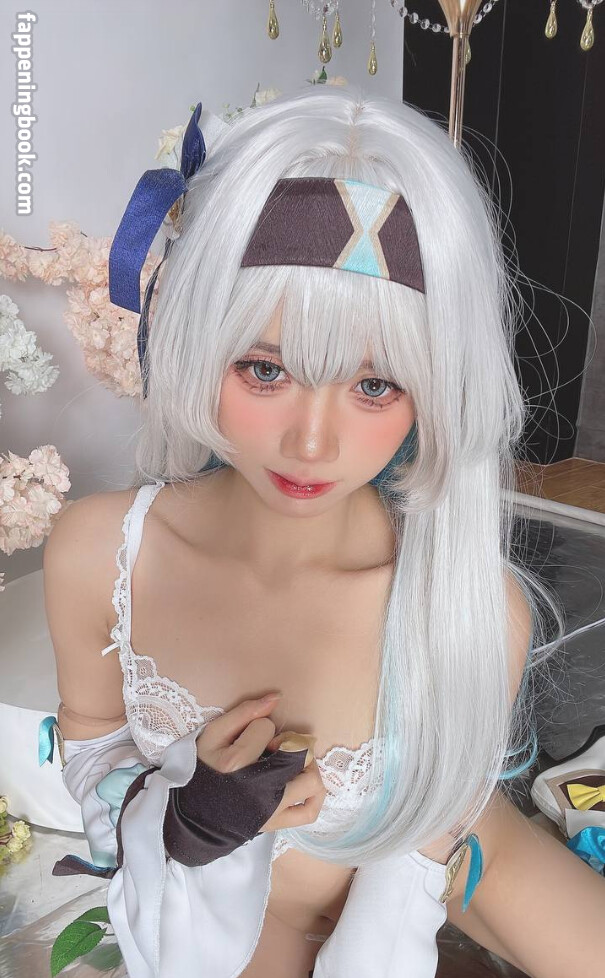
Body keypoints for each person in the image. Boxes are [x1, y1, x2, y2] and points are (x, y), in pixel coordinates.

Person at [41, 86, 605, 978]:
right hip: (236, 902)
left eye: (374, 386)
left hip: (439, 860)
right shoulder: (99, 554)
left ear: (433, 391)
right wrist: (190, 818)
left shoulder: (470, 608)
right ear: (196, 342)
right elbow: (93, 742)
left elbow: (439, 829)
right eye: (264, 371)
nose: (312, 443)